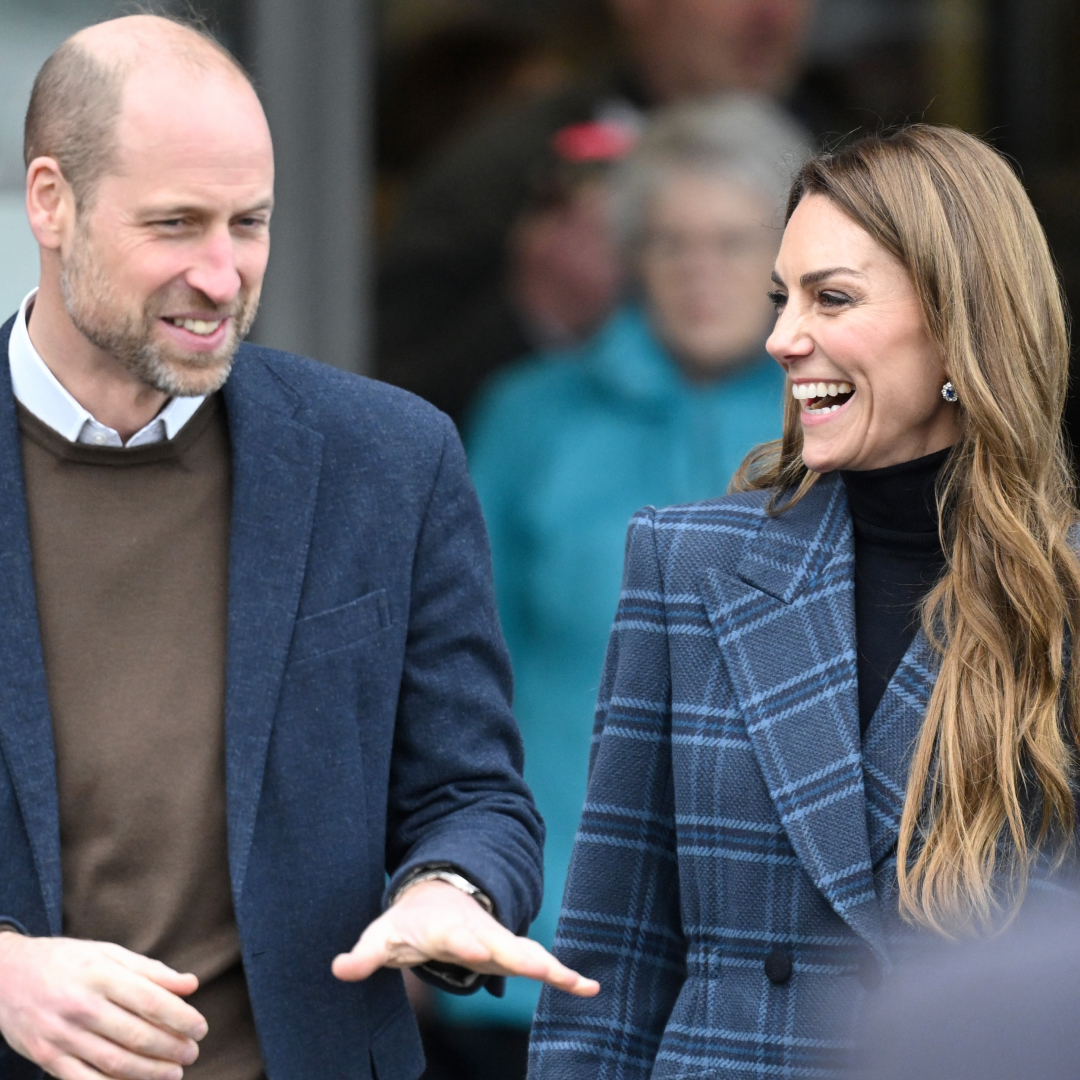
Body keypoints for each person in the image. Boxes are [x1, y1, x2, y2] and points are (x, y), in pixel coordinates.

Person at [0, 15, 597, 1080]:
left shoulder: (389, 459)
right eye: (177, 225)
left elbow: (476, 795)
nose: (223, 276)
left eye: (250, 224)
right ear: (51, 201)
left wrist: (445, 891)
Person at [529, 124, 1080, 1078]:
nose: (783, 339)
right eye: (783, 300)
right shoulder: (686, 563)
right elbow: (612, 956)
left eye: (832, 298)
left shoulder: (1059, 595)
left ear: (958, 321)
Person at [438, 96, 800, 1072]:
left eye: (732, 241)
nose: (700, 271)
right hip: (550, 938)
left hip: (782, 966)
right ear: (632, 254)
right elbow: (445, 682)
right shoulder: (528, 417)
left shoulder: (843, 419)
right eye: (670, 242)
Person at [376, 0, 821, 425]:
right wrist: (532, 315)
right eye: (670, 243)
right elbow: (384, 396)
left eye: (733, 243)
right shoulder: (499, 168)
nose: (771, 13)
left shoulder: (852, 155)